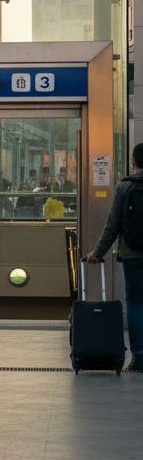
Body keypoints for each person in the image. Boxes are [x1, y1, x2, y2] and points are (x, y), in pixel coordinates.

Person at [86, 141, 143, 372]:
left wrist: (97, 253)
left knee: (136, 303)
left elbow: (113, 225)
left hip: (132, 254)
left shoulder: (125, 187)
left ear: (133, 162)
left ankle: (139, 357)